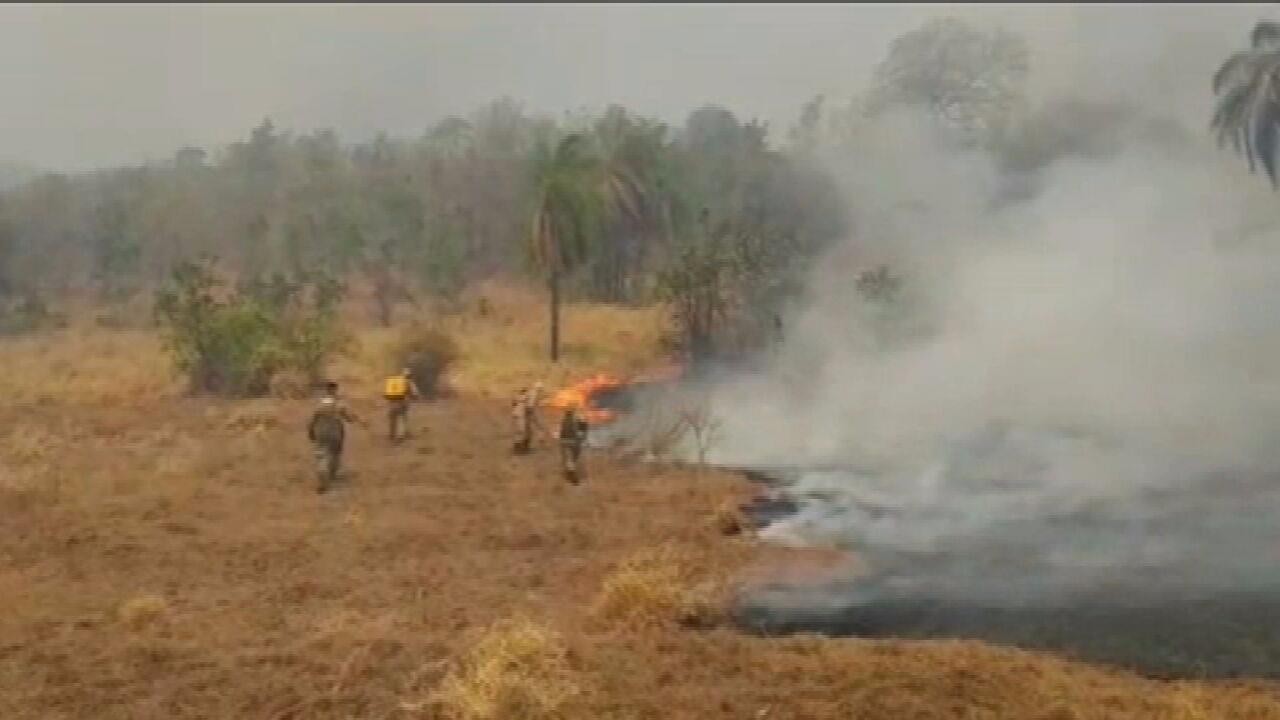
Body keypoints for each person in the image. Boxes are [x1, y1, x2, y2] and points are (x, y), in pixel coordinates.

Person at [307, 381, 360, 493]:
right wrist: (358, 420)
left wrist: (311, 432)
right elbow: (349, 418)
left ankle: (322, 474)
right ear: (335, 390)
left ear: (325, 390)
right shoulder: (339, 404)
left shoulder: (319, 404)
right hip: (335, 433)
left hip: (320, 432)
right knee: (335, 455)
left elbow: (312, 420)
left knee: (322, 455)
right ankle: (331, 476)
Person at [383, 368, 421, 443]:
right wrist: (416, 398)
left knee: (393, 419)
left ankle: (392, 435)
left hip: (392, 403)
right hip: (402, 403)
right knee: (402, 418)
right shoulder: (408, 382)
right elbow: (415, 393)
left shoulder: (394, 381)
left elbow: (386, 392)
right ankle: (400, 436)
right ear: (409, 375)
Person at [558, 405, 589, 484]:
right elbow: (584, 427)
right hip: (573, 442)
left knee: (570, 458)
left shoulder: (564, 420)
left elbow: (561, 432)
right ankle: (572, 474)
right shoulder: (576, 419)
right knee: (572, 458)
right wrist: (583, 437)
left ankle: (570, 471)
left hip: (567, 442)